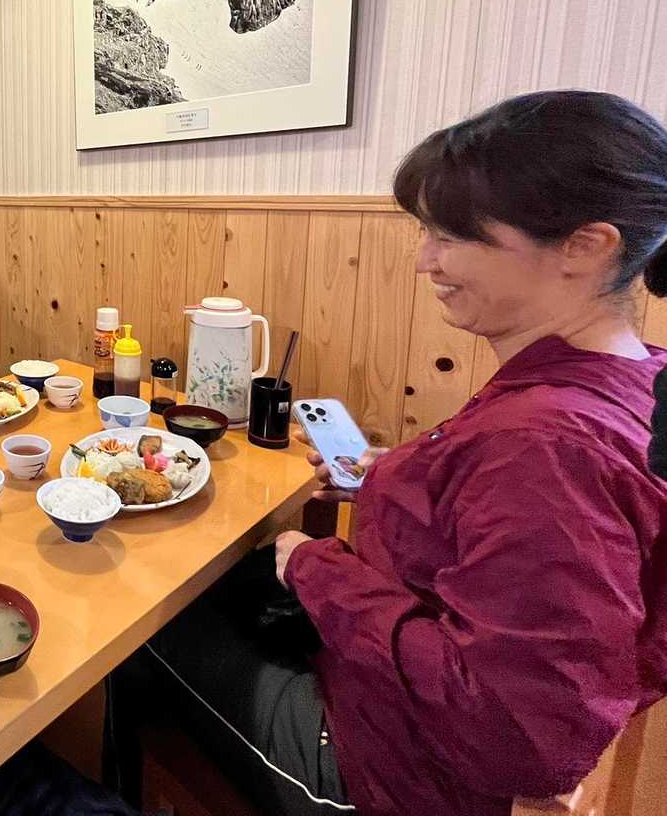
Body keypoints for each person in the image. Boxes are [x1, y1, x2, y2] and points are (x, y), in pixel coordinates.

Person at [109, 90, 667, 816]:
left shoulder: (546, 444)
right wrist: (400, 480)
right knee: (209, 578)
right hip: (396, 698)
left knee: (132, 619)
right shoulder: (631, 374)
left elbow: (520, 738)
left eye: (452, 236)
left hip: (383, 768)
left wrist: (314, 567)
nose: (424, 261)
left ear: (585, 247)